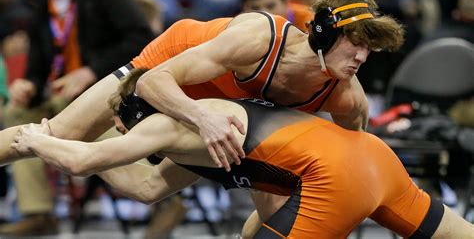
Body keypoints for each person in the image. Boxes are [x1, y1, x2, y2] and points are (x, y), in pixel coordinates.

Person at [0, 0, 403, 224]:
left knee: (150, 189)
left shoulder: (347, 98)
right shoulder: (259, 38)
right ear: (325, 35)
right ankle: (68, 137)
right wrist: (201, 118)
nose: (362, 59)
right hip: (169, 68)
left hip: (229, 108)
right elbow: (154, 81)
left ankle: (98, 139)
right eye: (356, 45)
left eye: (370, 49)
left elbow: (362, 169)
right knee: (61, 132)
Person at [10, 68, 474, 238]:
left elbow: (79, 164)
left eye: (119, 125)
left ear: (134, 111)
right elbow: (147, 187)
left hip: (334, 181)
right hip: (373, 158)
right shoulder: (200, 135)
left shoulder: (165, 122)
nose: (121, 133)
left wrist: (31, 139)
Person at [0, 0, 153, 235]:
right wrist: (29, 85)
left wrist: (92, 71)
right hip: (60, 93)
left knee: (66, 111)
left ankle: (163, 192)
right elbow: (38, 63)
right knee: (17, 111)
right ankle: (39, 212)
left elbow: (143, 41)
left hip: (108, 93)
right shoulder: (39, 2)